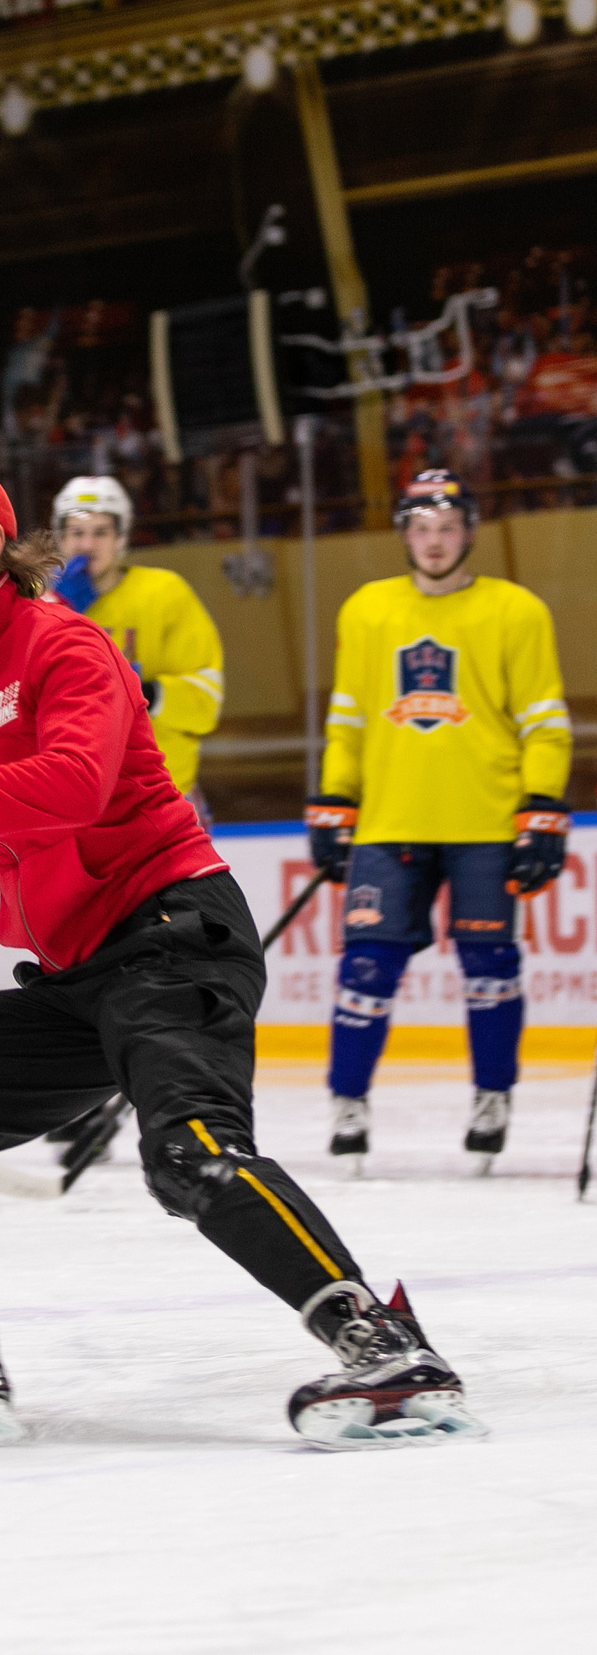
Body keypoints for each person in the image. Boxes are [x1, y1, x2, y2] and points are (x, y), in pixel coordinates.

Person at [0, 454, 485, 1452]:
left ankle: (386, 1349)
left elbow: (73, 787)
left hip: (173, 935)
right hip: (77, 974)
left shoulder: (65, 645)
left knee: (189, 1155)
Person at [306, 470, 571, 1171]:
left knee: (489, 966)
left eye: (446, 528)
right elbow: (348, 717)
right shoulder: (366, 609)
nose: (432, 541)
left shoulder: (515, 610)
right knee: (365, 965)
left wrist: (540, 806)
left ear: (468, 532)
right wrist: (334, 799)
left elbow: (543, 721)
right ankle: (348, 1099)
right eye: (420, 528)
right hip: (388, 824)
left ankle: (492, 1096)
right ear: (403, 534)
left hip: (484, 822)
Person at [49, 475, 224, 824]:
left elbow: (206, 701)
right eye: (76, 533)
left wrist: (143, 692)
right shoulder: (35, 603)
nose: (87, 544)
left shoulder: (164, 594)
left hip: (162, 797)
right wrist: (55, 608)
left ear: (122, 538)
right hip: (74, 802)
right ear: (60, 539)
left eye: (101, 532)